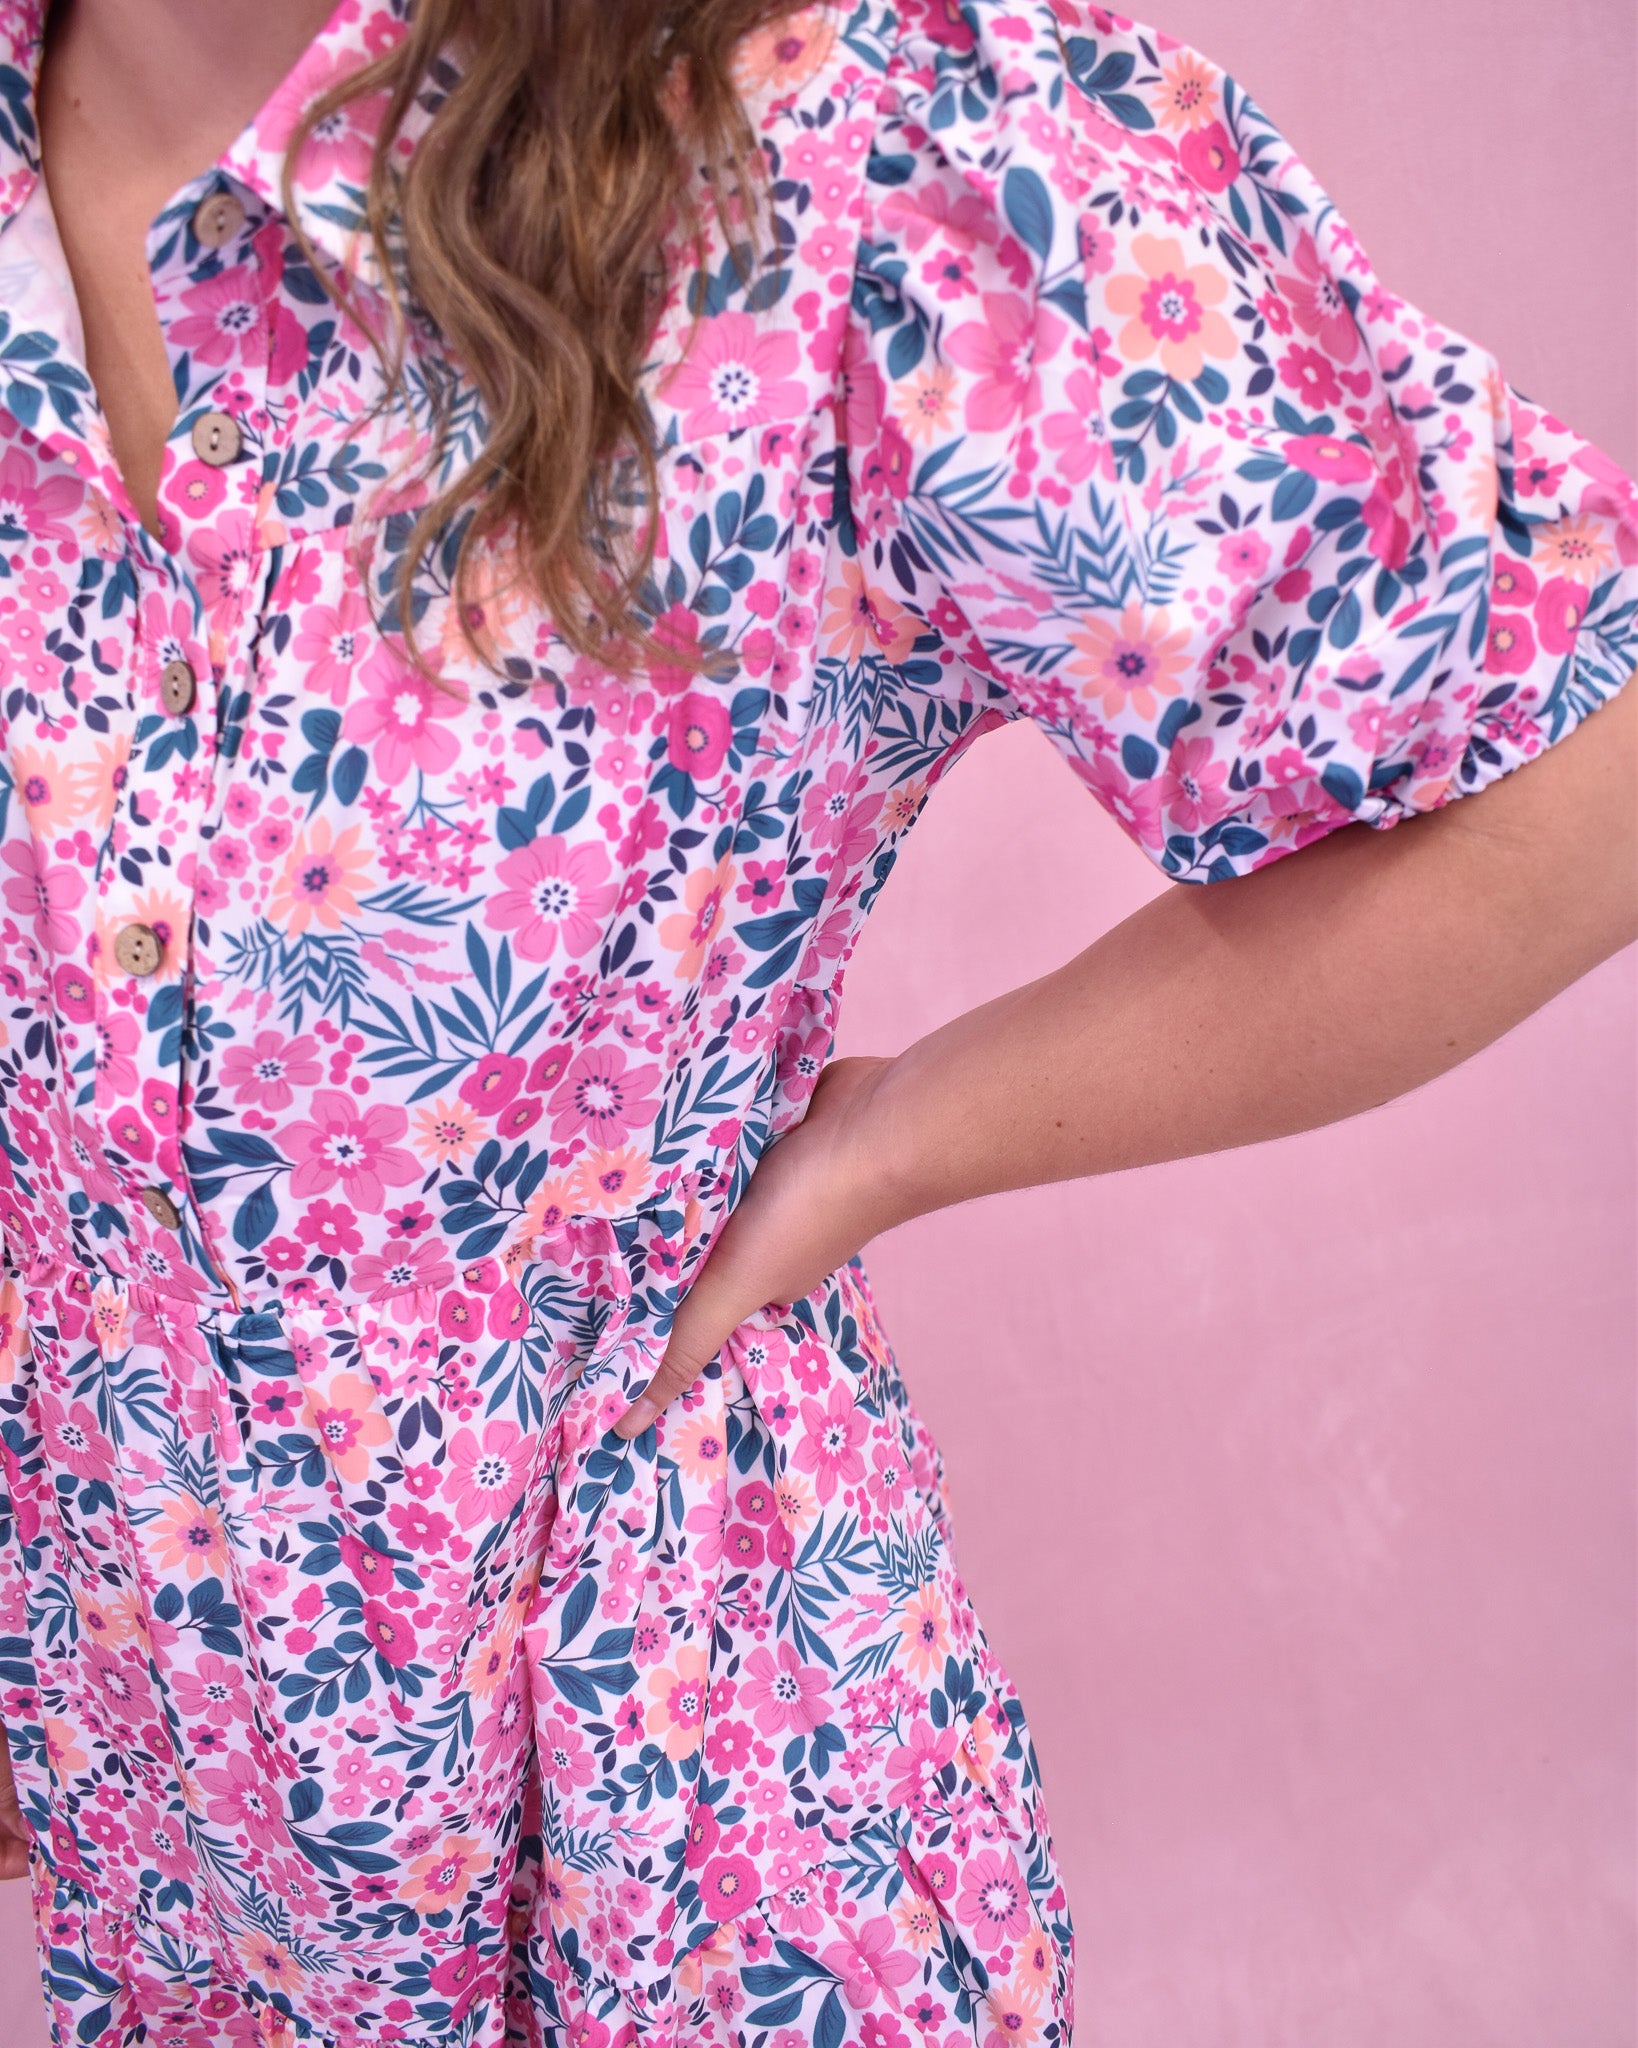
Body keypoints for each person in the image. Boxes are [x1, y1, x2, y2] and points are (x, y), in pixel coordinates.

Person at [0, 0, 1632, 2041]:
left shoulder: (864, 142)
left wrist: (889, 1139)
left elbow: (1582, 770)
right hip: (185, 1837)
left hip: (676, 1829)